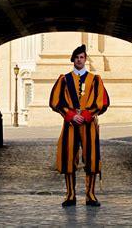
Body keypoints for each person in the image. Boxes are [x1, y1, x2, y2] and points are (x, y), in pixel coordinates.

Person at [49, 44, 110, 207]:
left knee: (91, 158)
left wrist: (85, 115)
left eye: (82, 57)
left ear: (85, 59)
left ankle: (91, 195)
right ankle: (70, 195)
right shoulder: (64, 79)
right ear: (73, 60)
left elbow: (102, 101)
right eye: (76, 57)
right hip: (70, 124)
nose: (79, 60)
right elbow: (56, 101)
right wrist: (70, 116)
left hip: (88, 124)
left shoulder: (95, 79)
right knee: (68, 158)